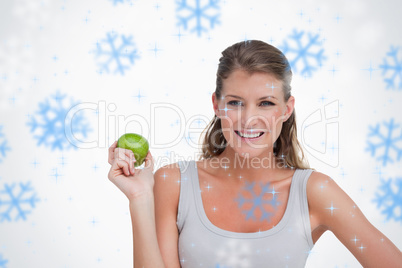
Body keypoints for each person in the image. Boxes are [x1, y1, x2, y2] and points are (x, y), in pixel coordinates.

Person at [107, 40, 402, 268]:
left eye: (266, 103)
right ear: (217, 104)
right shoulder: (174, 182)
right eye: (235, 103)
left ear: (286, 109)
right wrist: (140, 198)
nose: (249, 120)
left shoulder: (314, 191)